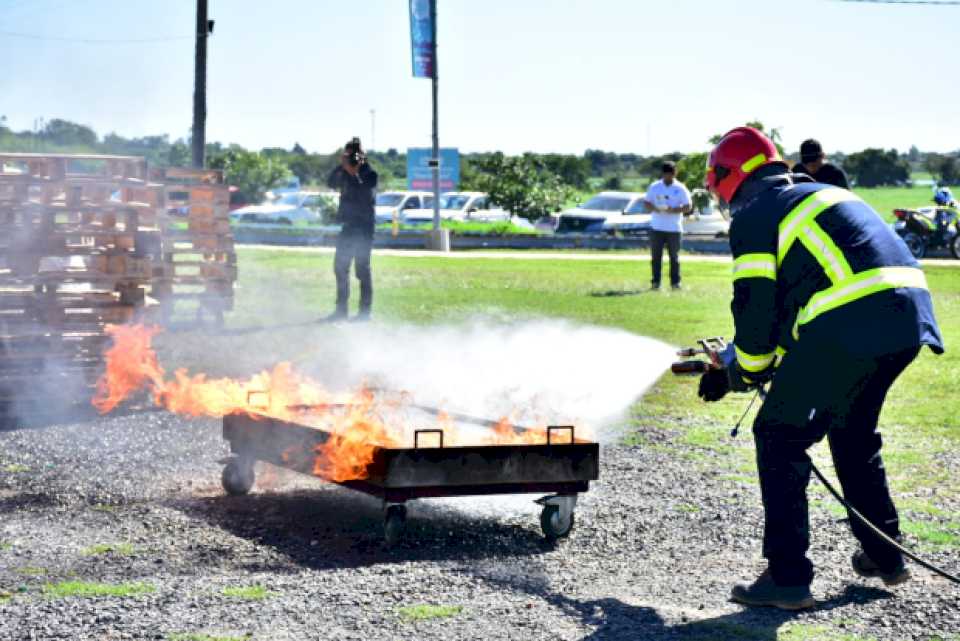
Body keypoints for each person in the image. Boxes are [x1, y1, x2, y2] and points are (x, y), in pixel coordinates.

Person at [700, 126, 943, 610]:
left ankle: (788, 579)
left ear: (729, 177)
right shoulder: (820, 193)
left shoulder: (755, 214)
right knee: (852, 432)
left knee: (778, 432)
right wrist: (743, 363)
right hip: (907, 317)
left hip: (853, 318)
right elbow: (802, 310)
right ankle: (885, 555)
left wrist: (738, 371)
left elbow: (755, 310)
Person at [324, 137, 378, 322]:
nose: (351, 159)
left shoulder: (370, 174)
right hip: (348, 227)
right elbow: (330, 183)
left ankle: (364, 312)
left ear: (362, 156)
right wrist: (341, 166)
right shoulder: (344, 172)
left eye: (353, 155)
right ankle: (341, 310)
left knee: (362, 270)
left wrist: (354, 170)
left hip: (364, 228)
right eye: (348, 155)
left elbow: (364, 192)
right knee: (340, 267)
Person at [644, 160, 692, 290]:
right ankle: (655, 282)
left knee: (674, 258)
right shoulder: (654, 187)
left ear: (675, 173)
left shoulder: (680, 188)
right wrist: (655, 208)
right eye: (666, 174)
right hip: (657, 227)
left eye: (671, 174)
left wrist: (674, 210)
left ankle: (675, 283)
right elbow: (646, 203)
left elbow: (688, 207)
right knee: (656, 257)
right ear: (662, 173)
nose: (668, 177)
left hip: (674, 228)